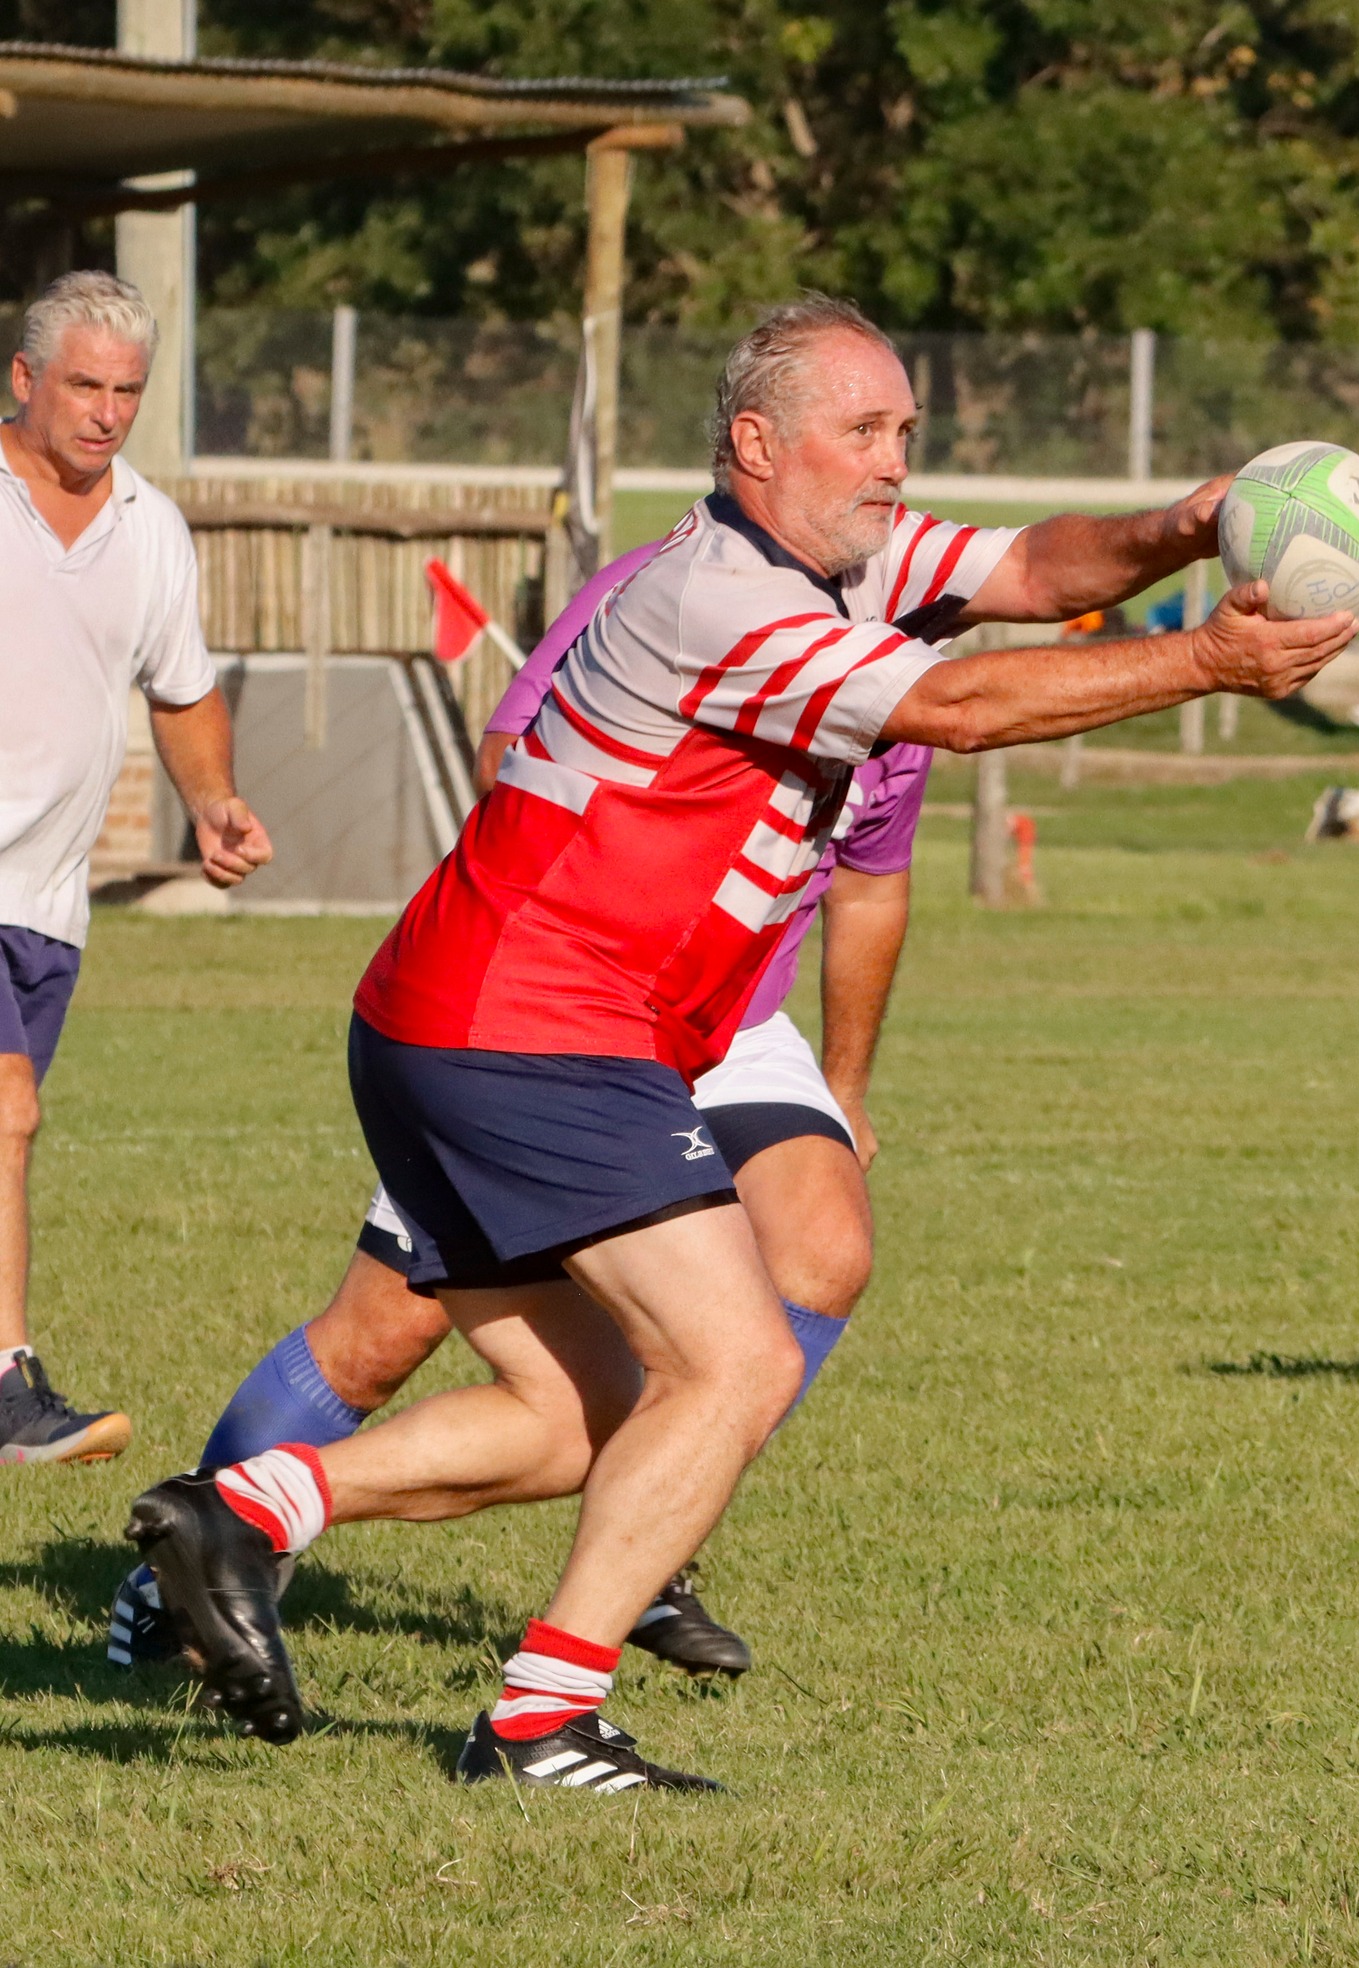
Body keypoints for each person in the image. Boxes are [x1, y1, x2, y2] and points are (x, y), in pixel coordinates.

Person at [125, 294, 1357, 1795]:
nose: (897, 462)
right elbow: (956, 705)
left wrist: (1183, 527)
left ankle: (244, 1514)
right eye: (865, 431)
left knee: (582, 1416)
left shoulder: (847, 560)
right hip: (535, 1021)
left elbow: (1035, 571)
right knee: (737, 1361)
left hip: (468, 1016)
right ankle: (540, 1719)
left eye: (905, 429)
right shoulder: (718, 596)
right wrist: (1201, 666)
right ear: (755, 443)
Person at [109, 537, 925, 1677]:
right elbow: (509, 759)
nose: (884, 482)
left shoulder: (900, 668)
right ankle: (181, 1566)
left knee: (822, 1246)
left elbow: (873, 882)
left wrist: (843, 1087)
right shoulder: (673, 589)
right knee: (381, 1331)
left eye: (899, 443)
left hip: (728, 1019)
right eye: (860, 439)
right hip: (555, 1006)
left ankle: (648, 1541)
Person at [0, 272, 271, 1468]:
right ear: (23, 380)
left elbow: (183, 687)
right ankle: (8, 1385)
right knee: (5, 1110)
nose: (107, 413)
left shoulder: (150, 526)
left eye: (128, 392)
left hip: (45, 906)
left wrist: (211, 799)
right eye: (83, 386)